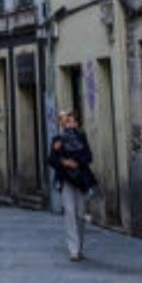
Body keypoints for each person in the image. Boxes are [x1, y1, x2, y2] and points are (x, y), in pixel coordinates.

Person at [48, 109, 96, 262]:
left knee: (80, 214)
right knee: (69, 213)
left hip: (80, 180)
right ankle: (73, 250)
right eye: (65, 122)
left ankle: (79, 246)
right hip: (66, 179)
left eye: (70, 121)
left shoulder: (81, 137)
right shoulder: (58, 139)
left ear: (76, 124)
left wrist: (77, 163)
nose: (67, 124)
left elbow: (89, 157)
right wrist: (62, 160)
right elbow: (51, 160)